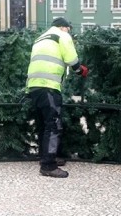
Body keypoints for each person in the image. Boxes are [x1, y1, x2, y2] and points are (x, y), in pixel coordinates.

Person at [25, 17, 88, 178]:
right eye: (69, 29)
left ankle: (46, 157)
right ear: (63, 27)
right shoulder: (62, 35)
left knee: (43, 124)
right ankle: (48, 166)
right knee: (53, 125)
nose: (69, 32)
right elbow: (72, 60)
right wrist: (80, 70)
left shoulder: (40, 38)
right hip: (49, 85)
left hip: (34, 86)